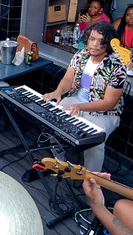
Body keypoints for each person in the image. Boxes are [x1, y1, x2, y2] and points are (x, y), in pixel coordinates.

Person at [41, 22, 126, 171]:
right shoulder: (80, 55)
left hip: (104, 112)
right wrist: (58, 92)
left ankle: (91, 181)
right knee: (51, 117)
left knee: (94, 142)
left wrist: (81, 106)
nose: (94, 44)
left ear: (108, 44)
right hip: (77, 100)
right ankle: (59, 160)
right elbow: (68, 80)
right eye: (92, 39)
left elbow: (109, 103)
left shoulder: (117, 67)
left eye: (101, 41)